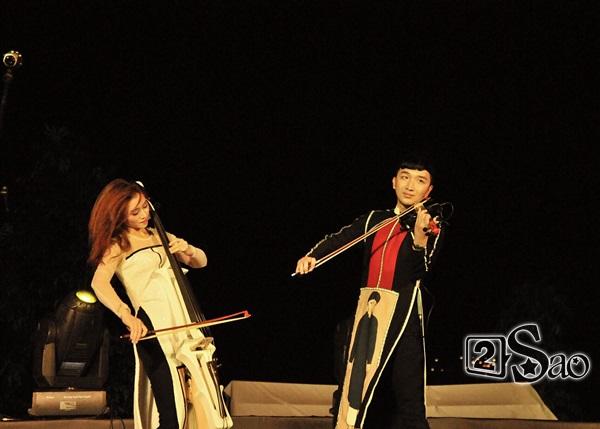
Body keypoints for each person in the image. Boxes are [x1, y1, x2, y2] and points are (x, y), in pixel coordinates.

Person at [295, 157, 445, 429]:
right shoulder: (375, 219)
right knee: (355, 387)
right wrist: (313, 255)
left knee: (408, 394)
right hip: (370, 311)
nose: (410, 186)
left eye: (420, 180)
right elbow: (341, 237)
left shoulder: (429, 223)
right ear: (394, 182)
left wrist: (419, 240)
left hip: (404, 316)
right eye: (405, 177)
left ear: (429, 191)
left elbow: (421, 270)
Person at [88, 179, 208, 429]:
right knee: (171, 413)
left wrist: (187, 248)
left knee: (198, 407)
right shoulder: (118, 244)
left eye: (145, 206)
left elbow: (201, 261)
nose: (144, 214)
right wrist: (126, 315)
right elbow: (99, 284)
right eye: (135, 212)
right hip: (153, 328)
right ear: (120, 216)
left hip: (183, 325)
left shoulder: (160, 236)